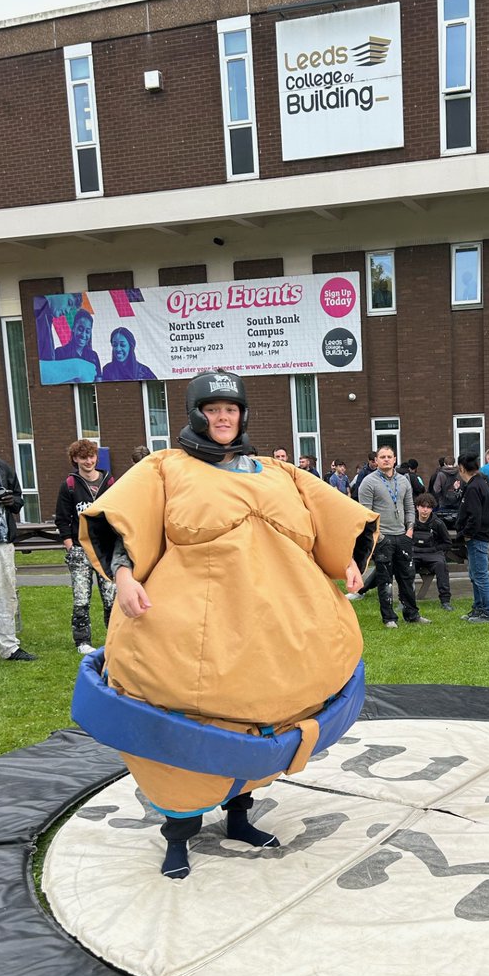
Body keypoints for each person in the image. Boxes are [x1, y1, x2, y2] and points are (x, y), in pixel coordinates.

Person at [78, 370, 378, 879]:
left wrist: (346, 558)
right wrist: (125, 577)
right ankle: (178, 837)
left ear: (242, 415)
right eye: (213, 409)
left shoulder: (276, 472)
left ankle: (239, 818)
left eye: (230, 410)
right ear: (196, 414)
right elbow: (127, 523)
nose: (222, 418)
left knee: (264, 715)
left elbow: (330, 518)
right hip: (194, 628)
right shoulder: (166, 467)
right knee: (193, 722)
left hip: (271, 627)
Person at [54, 440, 117, 656]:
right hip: (80, 549)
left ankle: (115, 638)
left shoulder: (109, 481)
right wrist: (70, 546)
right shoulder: (69, 485)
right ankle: (82, 641)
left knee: (111, 597)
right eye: (83, 458)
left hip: (105, 548)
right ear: (75, 459)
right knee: (81, 597)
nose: (88, 461)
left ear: (96, 457)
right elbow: (62, 519)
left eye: (91, 457)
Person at [0, 437, 37, 670]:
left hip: (3, 541)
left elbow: (18, 499)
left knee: (5, 595)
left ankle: (9, 646)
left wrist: (11, 500)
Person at [358, 445, 430, 629]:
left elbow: (409, 507)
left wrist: (410, 529)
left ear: (395, 459)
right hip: (383, 538)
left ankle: (412, 614)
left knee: (407, 577)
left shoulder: (403, 481)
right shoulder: (368, 482)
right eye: (382, 456)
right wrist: (379, 536)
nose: (386, 459)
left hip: (403, 536)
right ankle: (389, 618)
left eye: (389, 456)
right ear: (376, 460)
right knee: (385, 580)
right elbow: (365, 514)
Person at [455, 453, 489, 623]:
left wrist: (466, 534)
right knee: (475, 574)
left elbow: (474, 516)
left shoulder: (472, 487)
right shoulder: (482, 482)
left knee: (479, 575)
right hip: (482, 535)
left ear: (461, 468)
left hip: (477, 537)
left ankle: (488, 612)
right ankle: (478, 608)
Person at [412, 493, 454, 611]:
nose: (425, 510)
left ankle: (445, 601)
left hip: (433, 554)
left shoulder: (438, 523)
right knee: (407, 566)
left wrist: (434, 550)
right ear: (417, 507)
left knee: (441, 565)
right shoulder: (410, 522)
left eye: (428, 507)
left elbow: (447, 543)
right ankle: (405, 599)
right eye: (422, 507)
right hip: (415, 553)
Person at [52, 309, 101, 382]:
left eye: (87, 331)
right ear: (73, 328)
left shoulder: (94, 356)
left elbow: (98, 383)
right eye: (80, 329)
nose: (83, 335)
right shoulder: (59, 353)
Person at [431, 456, 463, 525]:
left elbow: (436, 489)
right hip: (457, 502)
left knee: (443, 523)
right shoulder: (459, 474)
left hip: (444, 502)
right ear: (454, 463)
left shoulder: (441, 474)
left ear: (444, 463)